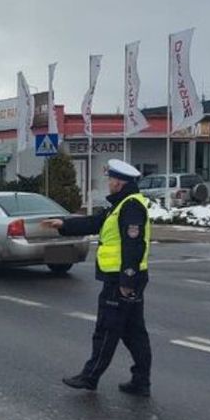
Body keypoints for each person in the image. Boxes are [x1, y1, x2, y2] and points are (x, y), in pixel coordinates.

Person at [40, 159, 153, 397]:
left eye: (111, 179)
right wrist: (64, 225)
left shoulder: (130, 206)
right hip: (125, 278)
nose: (109, 182)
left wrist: (127, 280)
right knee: (133, 332)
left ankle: (90, 377)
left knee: (106, 329)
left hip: (120, 279)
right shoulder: (120, 204)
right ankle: (141, 381)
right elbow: (95, 223)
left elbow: (134, 245)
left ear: (119, 182)